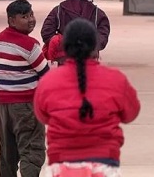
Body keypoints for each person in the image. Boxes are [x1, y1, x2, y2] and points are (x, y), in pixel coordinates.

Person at [34, 19, 140, 177]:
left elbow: (43, 116)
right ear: (95, 47)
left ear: (65, 47)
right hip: (105, 165)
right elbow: (131, 113)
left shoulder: (48, 82)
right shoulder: (116, 79)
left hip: (61, 165)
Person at [0, 0, 49, 177]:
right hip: (27, 106)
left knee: (8, 151)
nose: (30, 19)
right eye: (24, 16)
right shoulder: (31, 46)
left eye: (31, 15)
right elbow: (47, 75)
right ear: (12, 20)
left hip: (4, 108)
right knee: (31, 150)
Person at [41, 0, 110, 64]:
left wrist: (61, 45)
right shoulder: (97, 13)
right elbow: (103, 35)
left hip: (65, 60)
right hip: (89, 59)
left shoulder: (59, 10)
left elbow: (46, 32)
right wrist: (91, 47)